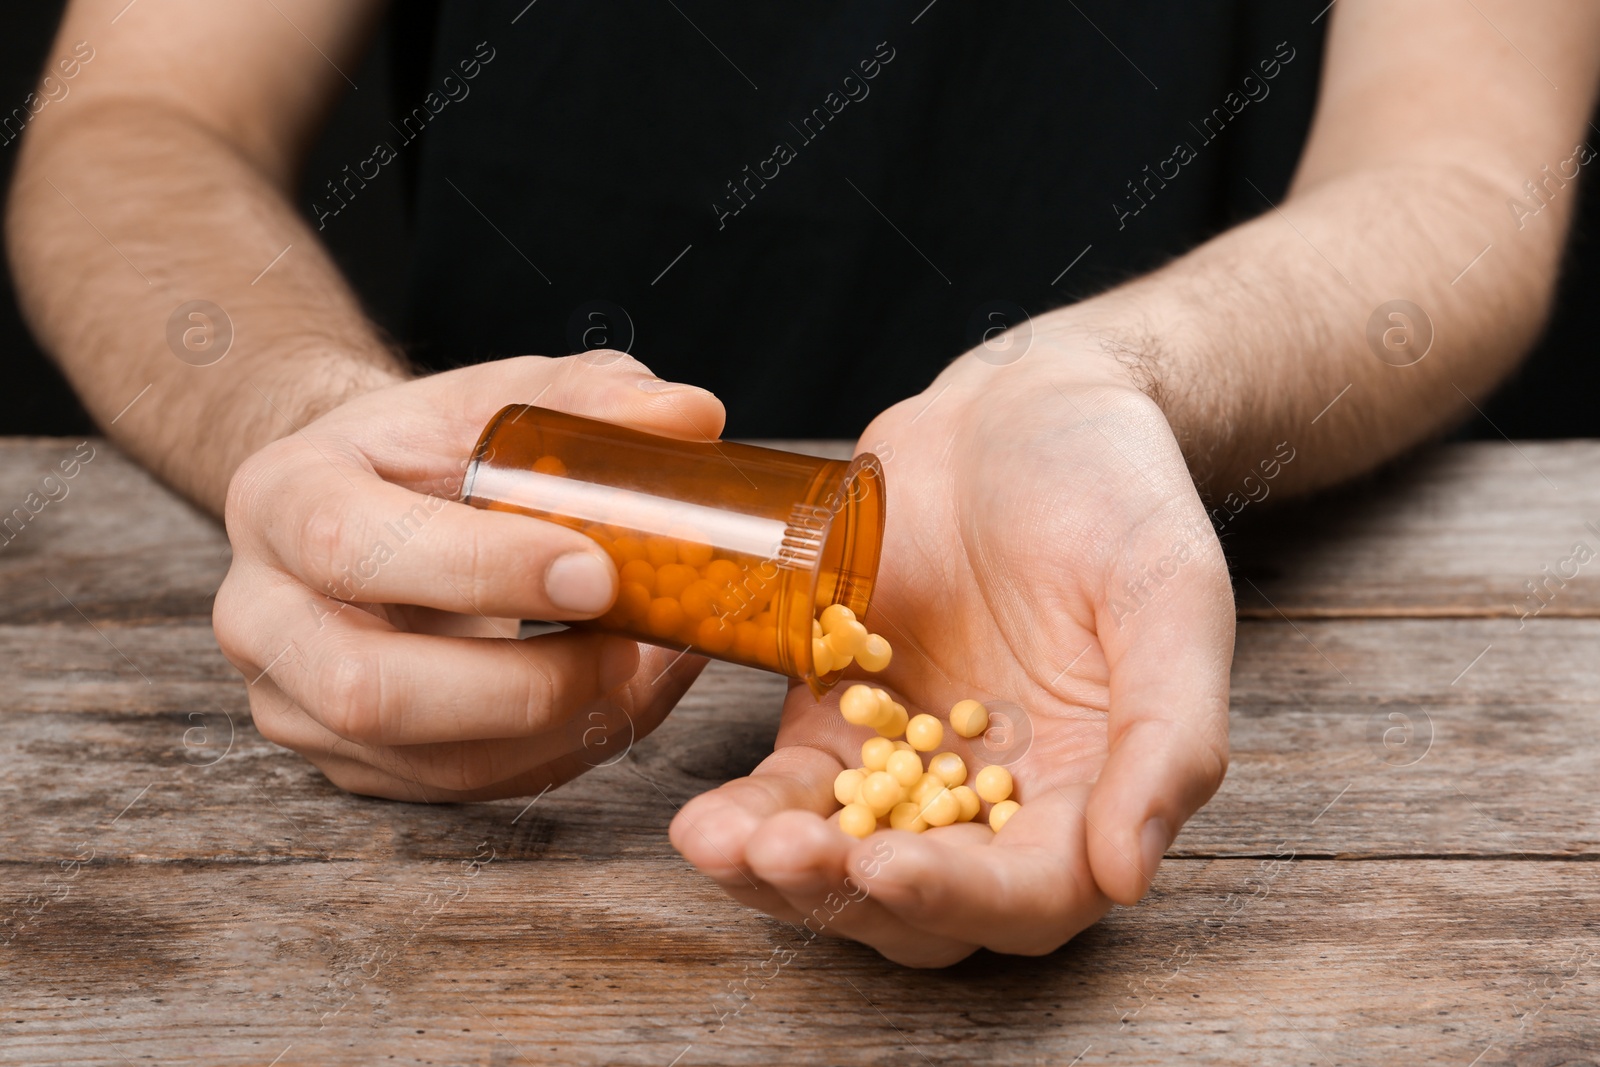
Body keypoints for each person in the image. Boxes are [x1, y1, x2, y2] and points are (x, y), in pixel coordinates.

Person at [8, 0, 1597, 968]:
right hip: (519, 584)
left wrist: (1112, 379)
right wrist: (318, 432)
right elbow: (134, 120)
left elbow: (1464, 164)